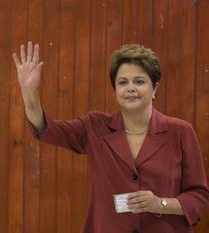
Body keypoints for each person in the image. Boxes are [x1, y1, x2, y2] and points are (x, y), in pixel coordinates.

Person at [12, 42, 209, 233]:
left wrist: (160, 204)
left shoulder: (180, 131)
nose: (130, 88)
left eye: (139, 81)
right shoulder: (95, 127)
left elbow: (199, 196)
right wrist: (30, 94)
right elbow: (47, 129)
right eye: (123, 82)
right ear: (115, 89)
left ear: (155, 88)